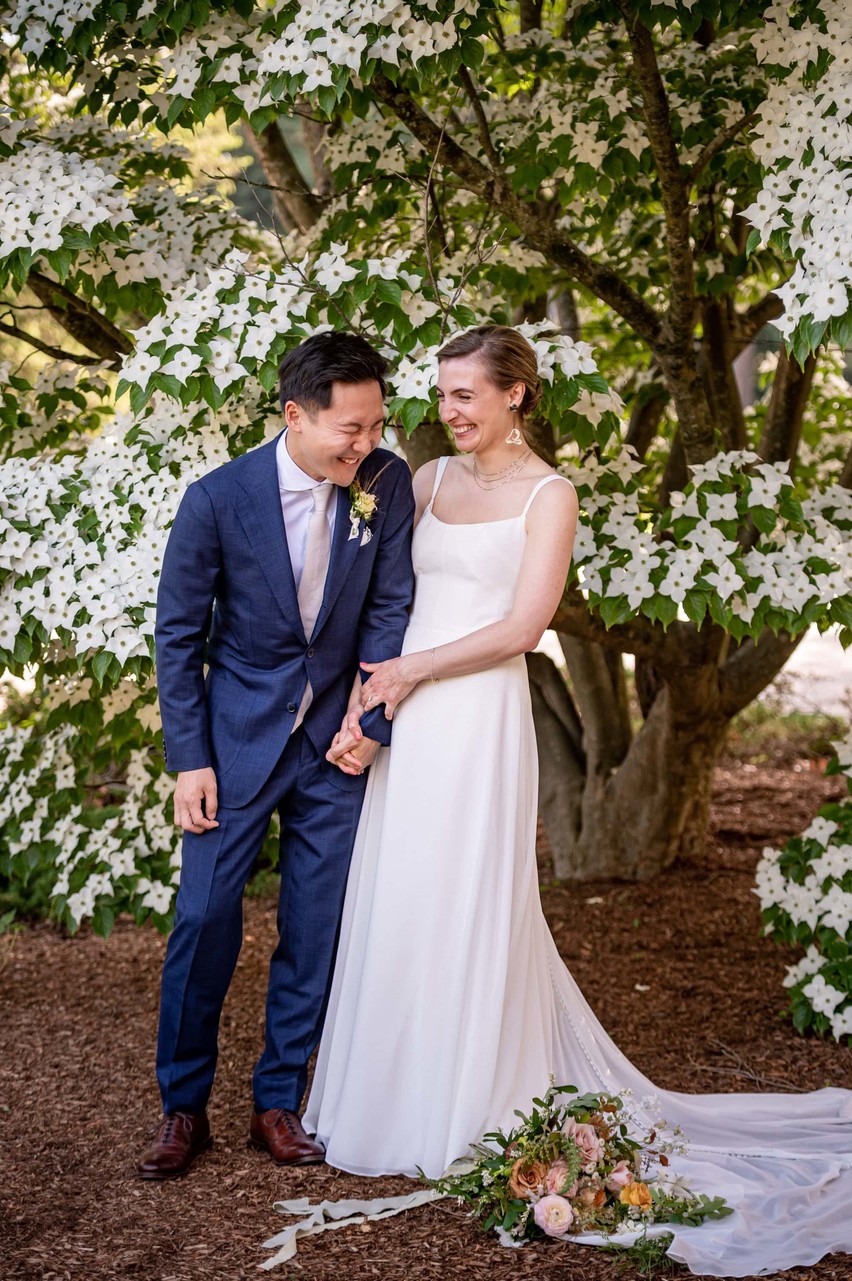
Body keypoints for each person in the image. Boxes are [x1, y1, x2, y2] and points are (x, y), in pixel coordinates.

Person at [304, 325, 852, 1276]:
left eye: (467, 395)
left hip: (473, 717)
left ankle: (465, 1106)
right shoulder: (420, 483)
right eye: (441, 395)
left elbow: (521, 626)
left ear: (518, 394)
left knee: (471, 901)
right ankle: (383, 1101)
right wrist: (369, 692)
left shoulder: (550, 496)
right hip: (406, 718)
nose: (451, 411)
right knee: (400, 898)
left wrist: (410, 673)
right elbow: (383, 599)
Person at [138, 331, 415, 1180]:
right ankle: (183, 1107)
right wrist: (191, 758)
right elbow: (179, 634)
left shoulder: (386, 482)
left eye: (377, 425)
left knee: (315, 926)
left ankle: (277, 1100)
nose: (368, 445)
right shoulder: (216, 500)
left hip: (336, 742)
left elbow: (392, 604)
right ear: (295, 416)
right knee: (204, 919)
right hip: (234, 745)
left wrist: (371, 722)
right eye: (352, 429)